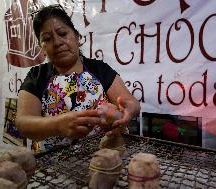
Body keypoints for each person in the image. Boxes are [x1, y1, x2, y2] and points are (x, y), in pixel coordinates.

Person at [15, 4, 140, 153]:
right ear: (42, 48)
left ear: (77, 37)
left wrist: (130, 108)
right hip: (52, 167)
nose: (57, 42)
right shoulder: (37, 76)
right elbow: (23, 123)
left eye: (62, 33)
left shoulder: (99, 70)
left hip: (103, 159)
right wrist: (57, 125)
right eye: (47, 39)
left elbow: (130, 103)